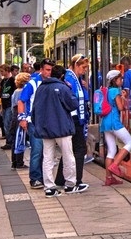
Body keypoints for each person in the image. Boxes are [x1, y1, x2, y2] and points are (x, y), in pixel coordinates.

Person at [32, 63, 80, 198]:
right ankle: (70, 184)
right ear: (62, 76)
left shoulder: (41, 89)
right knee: (68, 156)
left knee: (47, 158)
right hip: (62, 128)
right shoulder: (62, 88)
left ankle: (49, 187)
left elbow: (35, 108)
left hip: (45, 129)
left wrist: (37, 125)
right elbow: (73, 105)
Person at [55, 54, 90, 192]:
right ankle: (77, 180)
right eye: (83, 67)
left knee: (69, 150)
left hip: (75, 117)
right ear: (75, 65)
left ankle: (60, 178)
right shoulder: (70, 78)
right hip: (74, 118)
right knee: (79, 149)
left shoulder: (76, 78)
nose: (85, 70)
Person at [101, 70, 131, 186]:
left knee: (111, 150)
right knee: (130, 142)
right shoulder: (116, 91)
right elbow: (120, 107)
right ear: (115, 80)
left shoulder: (106, 91)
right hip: (114, 122)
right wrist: (124, 99)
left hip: (105, 123)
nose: (122, 81)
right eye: (120, 79)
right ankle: (115, 165)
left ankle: (108, 178)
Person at [18, 61, 45, 189]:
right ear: (41, 70)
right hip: (34, 121)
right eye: (47, 69)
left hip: (47, 122)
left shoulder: (51, 82)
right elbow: (21, 100)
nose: (49, 73)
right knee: (37, 150)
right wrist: (22, 118)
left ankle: (43, 177)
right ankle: (35, 178)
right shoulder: (33, 83)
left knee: (46, 152)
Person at [10, 72, 30, 169]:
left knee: (15, 139)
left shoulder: (15, 91)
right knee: (20, 139)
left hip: (14, 115)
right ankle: (19, 161)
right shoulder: (23, 92)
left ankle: (14, 161)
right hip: (20, 115)